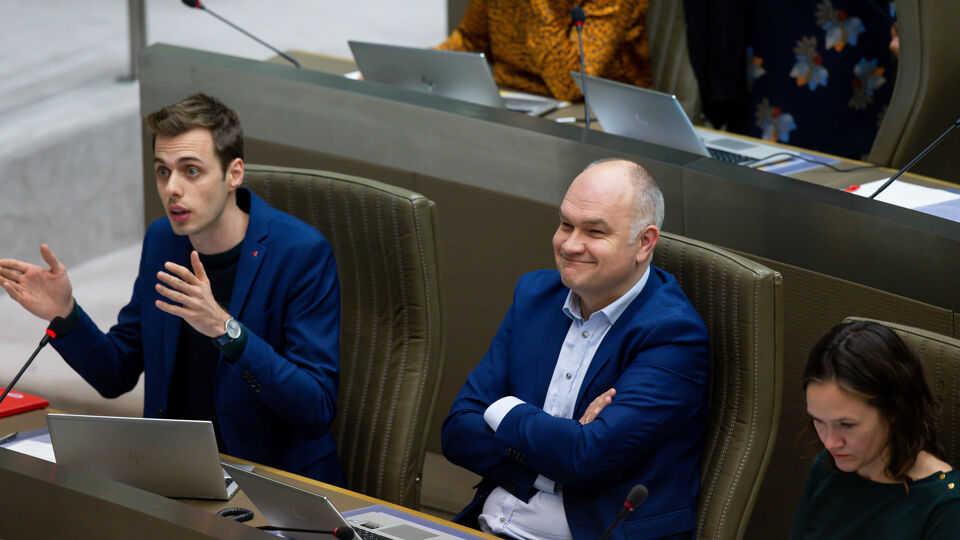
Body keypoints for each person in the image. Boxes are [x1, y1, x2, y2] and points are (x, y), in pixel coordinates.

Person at [0, 93, 344, 484]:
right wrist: (65, 313)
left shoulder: (300, 253)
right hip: (179, 478)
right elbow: (117, 373)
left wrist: (226, 330)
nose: (172, 189)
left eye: (191, 171)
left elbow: (315, 407)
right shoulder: (164, 240)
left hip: (274, 486)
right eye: (163, 171)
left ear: (234, 174)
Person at [442, 159, 710, 540]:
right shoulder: (535, 296)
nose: (569, 244)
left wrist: (503, 411)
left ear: (644, 242)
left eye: (594, 231)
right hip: (488, 527)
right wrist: (559, 451)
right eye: (566, 224)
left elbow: (588, 458)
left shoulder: (673, 334)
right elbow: (457, 431)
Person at [792, 321, 960, 539]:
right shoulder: (827, 466)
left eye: (847, 425)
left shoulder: (945, 504)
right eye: (819, 421)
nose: (830, 442)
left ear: (893, 410)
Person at [438, 0, 652, 102]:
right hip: (511, 97)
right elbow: (469, 41)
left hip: (596, 110)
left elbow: (572, 86)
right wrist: (419, 65)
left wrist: (536, 5)